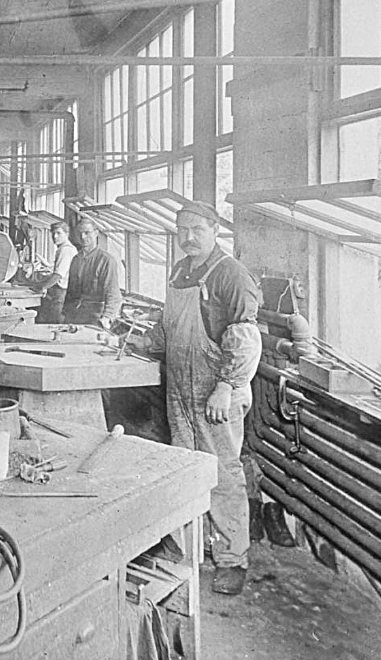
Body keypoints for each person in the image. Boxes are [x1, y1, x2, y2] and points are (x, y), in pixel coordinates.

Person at [128, 201, 262, 596]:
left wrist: (226, 386)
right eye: (182, 229)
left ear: (215, 230)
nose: (188, 237)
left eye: (197, 229)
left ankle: (232, 559)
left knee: (222, 475)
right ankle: (191, 546)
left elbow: (245, 338)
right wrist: (141, 343)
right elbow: (168, 325)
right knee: (184, 467)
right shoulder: (180, 270)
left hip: (216, 391)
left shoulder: (231, 274)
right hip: (181, 390)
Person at [63, 218, 122, 329]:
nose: (83, 237)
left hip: (95, 318)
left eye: (87, 232)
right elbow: (71, 292)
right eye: (79, 233)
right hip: (74, 316)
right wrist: (65, 315)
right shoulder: (76, 259)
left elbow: (114, 294)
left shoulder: (106, 260)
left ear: (96, 233)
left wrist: (107, 318)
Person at [32, 220, 77, 323]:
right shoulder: (64, 249)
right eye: (53, 233)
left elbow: (58, 275)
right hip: (61, 293)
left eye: (58, 233)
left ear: (67, 234)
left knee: (54, 323)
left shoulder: (66, 250)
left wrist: (43, 287)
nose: (55, 236)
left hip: (61, 294)